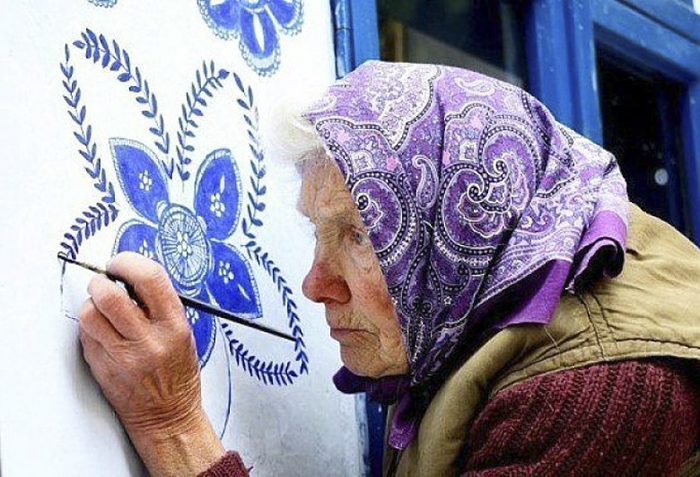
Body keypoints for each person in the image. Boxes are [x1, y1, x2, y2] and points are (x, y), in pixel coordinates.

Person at [78, 61, 700, 477]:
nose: (316, 285)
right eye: (319, 236)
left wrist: (175, 429)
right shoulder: (486, 314)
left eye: (358, 234)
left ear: (463, 225)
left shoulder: (591, 394)